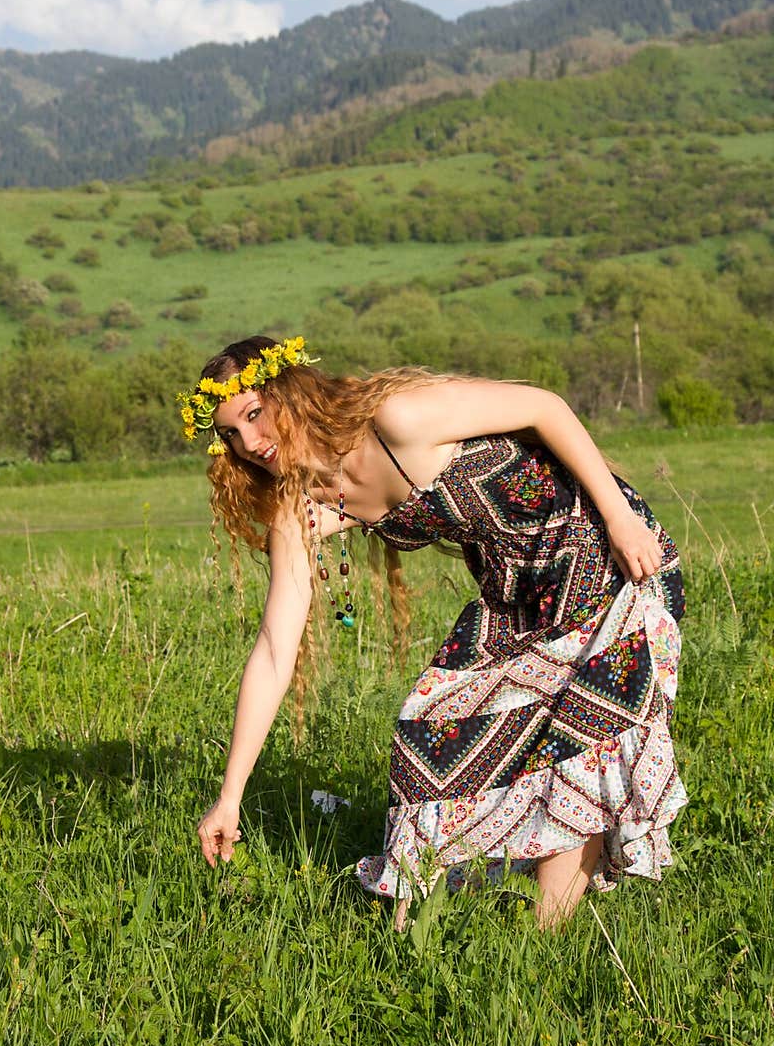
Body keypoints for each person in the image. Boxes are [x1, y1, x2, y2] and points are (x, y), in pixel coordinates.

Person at [179, 335, 687, 931]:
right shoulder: (298, 510)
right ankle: (411, 938)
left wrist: (621, 518)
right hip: (513, 595)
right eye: (231, 435)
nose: (251, 444)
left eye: (255, 415)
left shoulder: (397, 418)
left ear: (290, 391)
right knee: (427, 739)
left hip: (599, 552)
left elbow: (544, 407)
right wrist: (231, 794)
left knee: (577, 743)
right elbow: (272, 651)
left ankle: (543, 945)